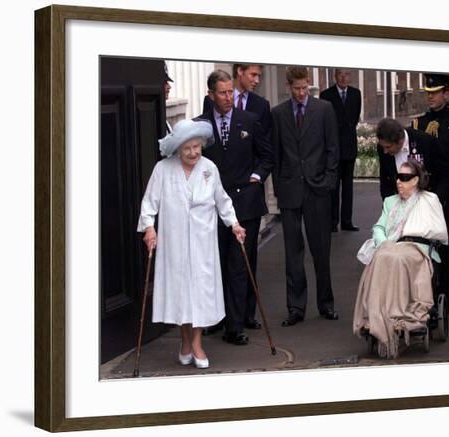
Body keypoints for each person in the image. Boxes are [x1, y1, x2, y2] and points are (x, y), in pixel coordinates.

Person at [137, 119, 246, 369]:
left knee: (200, 292)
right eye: (187, 148)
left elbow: (222, 200)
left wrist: (234, 224)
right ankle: (185, 340)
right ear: (177, 149)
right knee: (180, 293)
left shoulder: (209, 168)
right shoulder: (162, 169)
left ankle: (196, 343)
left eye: (197, 147)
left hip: (203, 242)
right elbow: (149, 203)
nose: (193, 153)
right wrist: (149, 228)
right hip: (174, 243)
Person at [198, 70, 274, 345]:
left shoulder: (249, 120)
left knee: (240, 264)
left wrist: (256, 178)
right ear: (211, 95)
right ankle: (215, 318)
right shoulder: (201, 125)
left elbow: (267, 156)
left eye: (231, 92)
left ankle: (236, 324)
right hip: (211, 207)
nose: (229, 97)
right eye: (222, 93)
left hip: (246, 203)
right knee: (214, 264)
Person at [353, 160, 448, 358]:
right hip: (392, 246)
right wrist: (383, 242)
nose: (399, 181)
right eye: (398, 177)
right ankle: (378, 315)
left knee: (394, 257)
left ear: (416, 180)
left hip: (417, 248)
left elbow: (439, 231)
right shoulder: (390, 201)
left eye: (405, 178)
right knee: (383, 255)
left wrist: (402, 239)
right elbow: (379, 227)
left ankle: (395, 314)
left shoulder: (429, 200)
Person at [271, 66, 340, 326]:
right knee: (293, 252)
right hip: (290, 191)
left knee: (321, 249)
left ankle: (326, 304)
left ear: (309, 84)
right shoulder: (277, 113)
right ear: (289, 86)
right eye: (296, 89)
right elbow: (276, 154)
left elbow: (333, 147)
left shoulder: (323, 110)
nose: (301, 93)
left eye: (304, 88)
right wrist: (278, 187)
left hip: (318, 188)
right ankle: (296, 308)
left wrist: (329, 181)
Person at [412, 73, 449, 307]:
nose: (430, 97)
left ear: (446, 92)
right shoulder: (420, 123)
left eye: (435, 93)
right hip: (430, 190)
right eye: (428, 93)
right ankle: (444, 296)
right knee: (438, 244)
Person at [319, 68, 362, 232]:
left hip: (349, 146)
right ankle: (332, 221)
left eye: (346, 74)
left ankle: (347, 221)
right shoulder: (326, 95)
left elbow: (355, 117)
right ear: (335, 76)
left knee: (348, 187)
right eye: (340, 74)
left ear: (350, 76)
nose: (344, 78)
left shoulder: (355, 94)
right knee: (333, 186)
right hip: (333, 147)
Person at [376, 117, 449, 201]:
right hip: (400, 203)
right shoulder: (382, 148)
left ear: (400, 140)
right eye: (383, 147)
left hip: (426, 201)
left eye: (388, 147)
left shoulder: (425, 142)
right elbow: (385, 180)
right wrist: (388, 204)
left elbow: (445, 175)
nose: (385, 151)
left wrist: (435, 200)